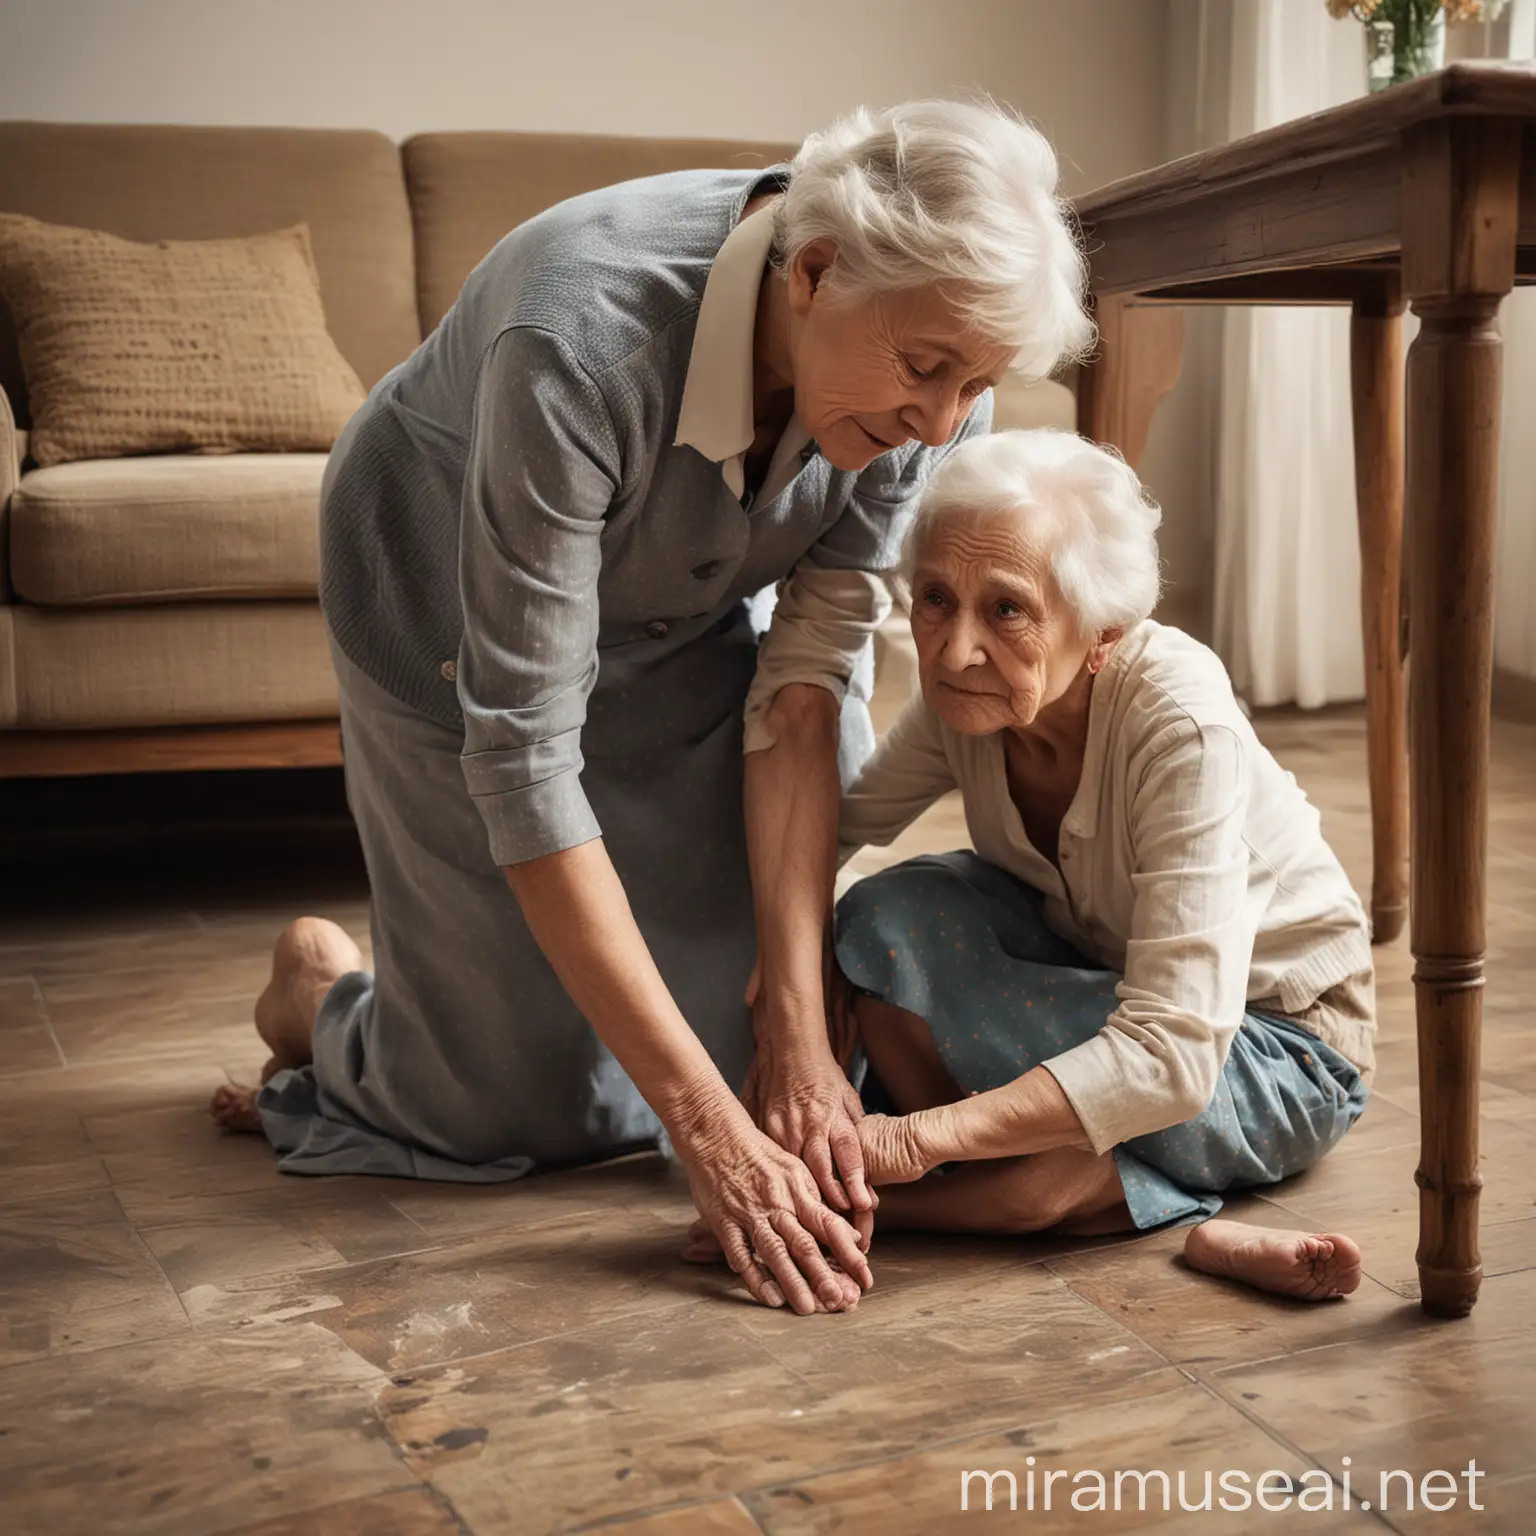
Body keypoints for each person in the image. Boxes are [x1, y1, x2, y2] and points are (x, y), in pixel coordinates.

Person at [208, 100, 1095, 1317]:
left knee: (776, 1050)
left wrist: (789, 1029)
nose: (939, 427)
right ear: (816, 272)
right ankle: (320, 1000)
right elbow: (526, 758)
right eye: (925, 373)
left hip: (678, 608)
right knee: (501, 1108)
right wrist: (709, 1133)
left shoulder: (930, 381)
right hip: (442, 606)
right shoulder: (579, 334)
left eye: (976, 385)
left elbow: (802, 684)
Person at [829, 428, 1375, 1301]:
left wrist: (915, 1139)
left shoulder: (1179, 722)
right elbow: (831, 832)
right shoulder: (965, 696)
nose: (955, 649)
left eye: (1006, 609)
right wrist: (791, 1019)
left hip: (1273, 1042)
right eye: (935, 598)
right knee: (879, 917)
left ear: (1103, 634)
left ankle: (901, 1199)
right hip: (1099, 975)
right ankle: (1071, 1188)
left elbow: (1167, 1055)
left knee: (1057, 1088)